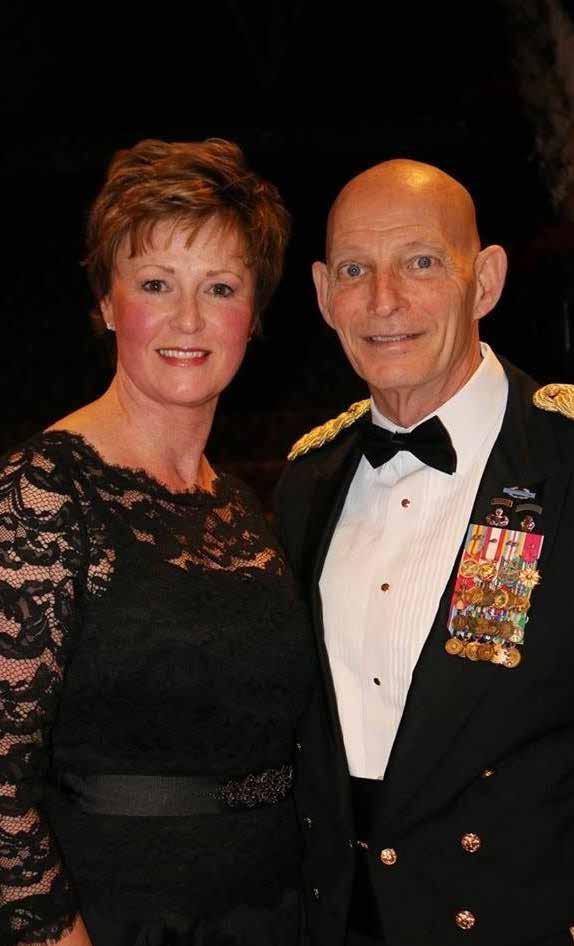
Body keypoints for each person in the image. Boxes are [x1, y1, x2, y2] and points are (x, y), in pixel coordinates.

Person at [0, 138, 314, 946]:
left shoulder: (242, 509)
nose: (189, 319)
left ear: (253, 316)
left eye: (220, 288)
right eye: (155, 284)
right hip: (119, 916)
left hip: (273, 911)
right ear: (107, 303)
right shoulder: (45, 491)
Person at [275, 158, 574, 946]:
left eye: (420, 262)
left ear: (486, 281)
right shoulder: (305, 481)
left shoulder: (565, 457)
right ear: (323, 295)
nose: (384, 300)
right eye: (354, 270)